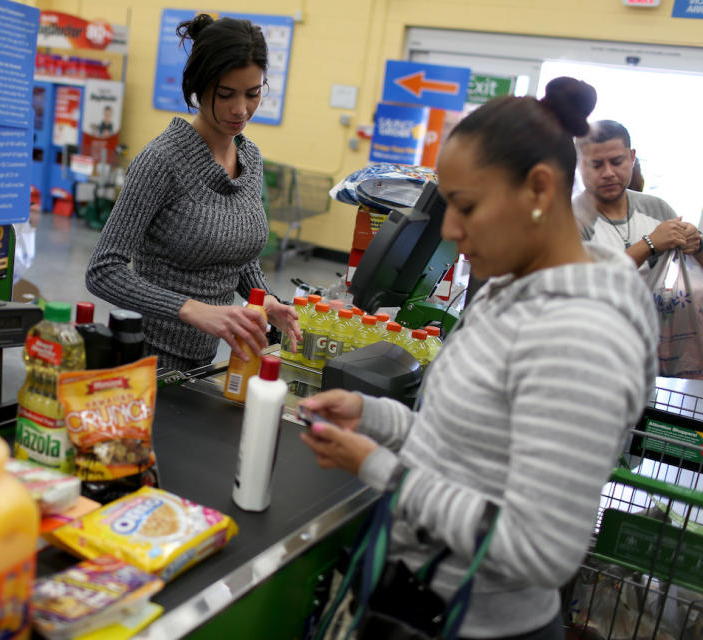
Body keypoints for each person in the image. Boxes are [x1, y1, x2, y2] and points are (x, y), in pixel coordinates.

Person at [299, 78, 658, 639]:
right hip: (419, 597)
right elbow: (470, 445)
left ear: (539, 190)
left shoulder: (583, 336)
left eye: (466, 206)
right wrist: (374, 416)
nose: (449, 228)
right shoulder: (507, 283)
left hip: (480, 624)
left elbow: (541, 549)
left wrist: (378, 467)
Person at [85, 14, 301, 372]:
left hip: (203, 363)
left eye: (253, 93)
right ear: (199, 88)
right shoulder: (161, 161)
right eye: (226, 94)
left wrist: (266, 301)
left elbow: (235, 251)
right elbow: (102, 271)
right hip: (146, 359)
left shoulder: (250, 158)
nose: (240, 109)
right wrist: (191, 309)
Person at [573, 119, 701, 283]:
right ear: (579, 164)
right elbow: (588, 283)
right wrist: (649, 245)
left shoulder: (656, 208)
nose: (608, 173)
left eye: (616, 162)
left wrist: (696, 243)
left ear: (632, 157)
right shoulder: (570, 220)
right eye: (596, 165)